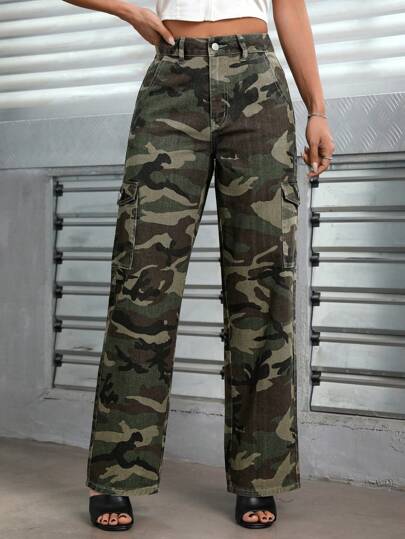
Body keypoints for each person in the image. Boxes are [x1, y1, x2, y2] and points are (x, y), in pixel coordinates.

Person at [64, 0, 334, 531]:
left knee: (264, 285)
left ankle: (260, 472)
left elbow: (290, 9)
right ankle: (118, 473)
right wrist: (129, 12)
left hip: (257, 85)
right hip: (173, 83)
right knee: (141, 281)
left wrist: (317, 110)